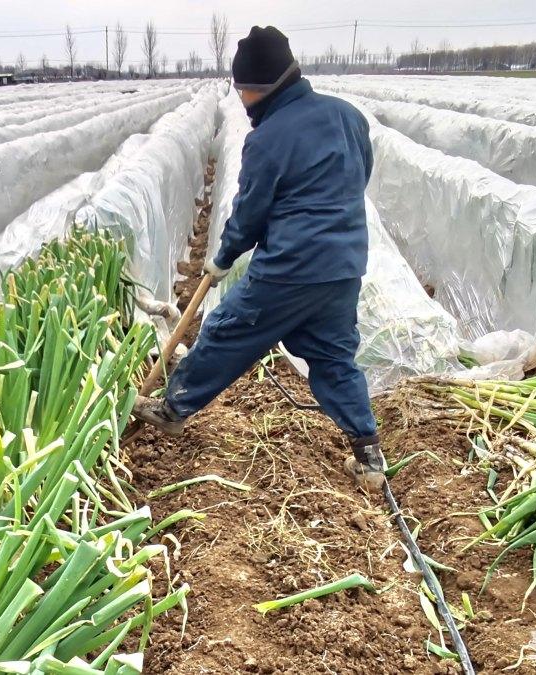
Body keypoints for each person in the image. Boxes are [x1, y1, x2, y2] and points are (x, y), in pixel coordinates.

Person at [133, 25, 385, 490]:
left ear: (262, 87)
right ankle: (368, 454)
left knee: (228, 331)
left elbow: (250, 210)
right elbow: (358, 177)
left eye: (243, 88)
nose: (242, 98)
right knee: (333, 357)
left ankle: (172, 409)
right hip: (343, 266)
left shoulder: (268, 138)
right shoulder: (348, 117)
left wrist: (223, 256)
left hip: (290, 268)